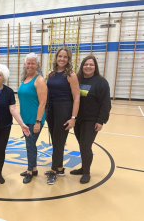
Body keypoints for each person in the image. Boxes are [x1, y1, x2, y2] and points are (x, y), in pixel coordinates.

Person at [71, 55, 111, 183]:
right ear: (82, 66)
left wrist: (101, 121)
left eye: (91, 65)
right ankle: (83, 168)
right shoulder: (77, 79)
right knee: (82, 145)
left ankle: (86, 172)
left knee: (85, 146)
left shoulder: (101, 82)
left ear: (95, 67)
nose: (88, 67)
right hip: (78, 119)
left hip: (91, 120)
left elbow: (105, 104)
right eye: (86, 64)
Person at [45, 46, 80, 185]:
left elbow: (77, 97)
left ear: (68, 59)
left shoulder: (71, 75)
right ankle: (59, 168)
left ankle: (53, 171)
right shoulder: (51, 74)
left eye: (65, 57)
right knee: (55, 140)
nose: (62, 59)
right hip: (51, 109)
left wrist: (73, 117)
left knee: (59, 141)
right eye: (60, 56)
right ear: (56, 57)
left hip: (64, 109)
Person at [17, 52, 47, 184]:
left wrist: (38, 122)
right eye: (28, 63)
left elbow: (42, 103)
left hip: (34, 120)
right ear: (25, 64)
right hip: (25, 119)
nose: (30, 65)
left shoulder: (39, 80)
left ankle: (29, 171)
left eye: (32, 63)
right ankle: (34, 168)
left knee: (29, 145)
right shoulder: (25, 79)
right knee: (31, 145)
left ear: (37, 65)